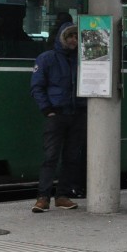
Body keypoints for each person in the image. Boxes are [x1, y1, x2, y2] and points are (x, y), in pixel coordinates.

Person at [29, 22, 86, 213]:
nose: (73, 40)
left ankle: (62, 195)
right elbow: (36, 87)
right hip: (57, 114)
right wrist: (47, 109)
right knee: (51, 157)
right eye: (70, 36)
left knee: (71, 157)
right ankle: (43, 197)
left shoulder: (82, 60)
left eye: (77, 37)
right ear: (62, 38)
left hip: (76, 113)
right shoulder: (47, 59)